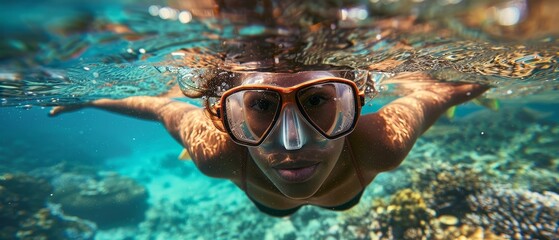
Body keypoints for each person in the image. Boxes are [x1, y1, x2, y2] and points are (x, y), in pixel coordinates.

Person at [50, 69, 488, 217]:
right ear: (223, 116)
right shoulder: (217, 151)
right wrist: (93, 98)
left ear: (354, 105)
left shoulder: (381, 143)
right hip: (280, 195)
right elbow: (161, 107)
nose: (292, 141)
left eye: (317, 100)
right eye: (259, 104)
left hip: (320, 194)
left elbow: (438, 93)